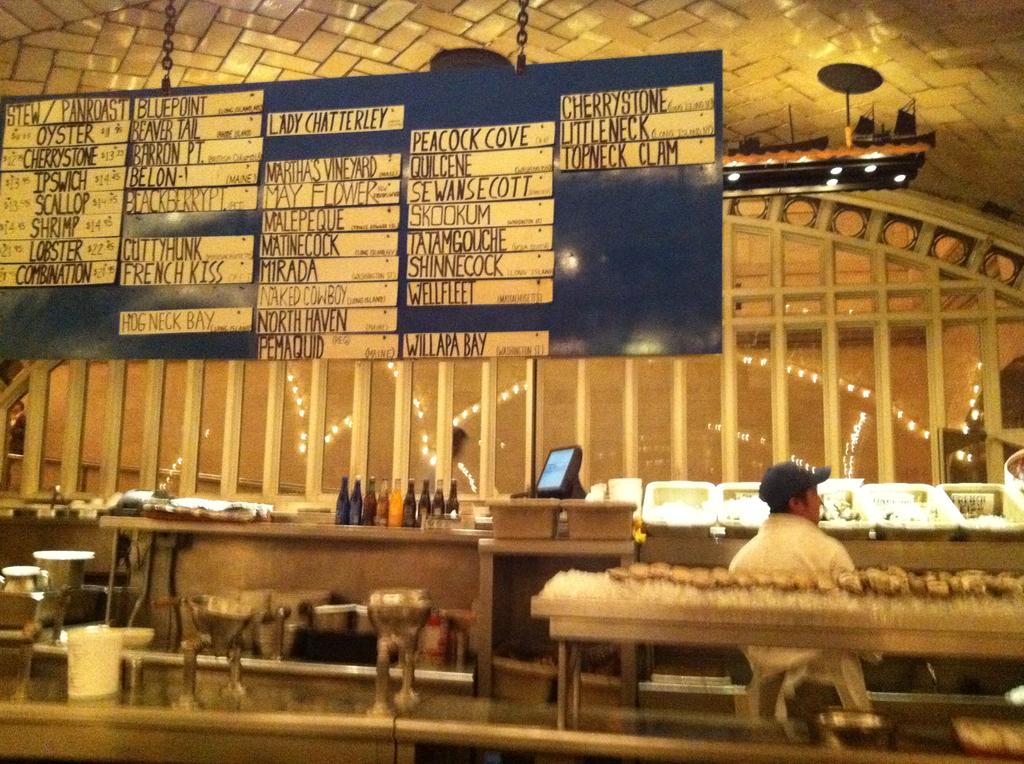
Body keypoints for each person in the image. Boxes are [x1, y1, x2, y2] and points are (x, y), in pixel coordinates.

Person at [729, 461, 871, 719]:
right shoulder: (829, 551)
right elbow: (859, 625)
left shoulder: (742, 559)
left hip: (769, 699)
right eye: (814, 494)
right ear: (796, 503)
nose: (820, 502)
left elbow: (739, 634)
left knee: (775, 744)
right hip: (831, 698)